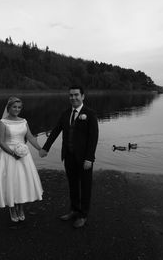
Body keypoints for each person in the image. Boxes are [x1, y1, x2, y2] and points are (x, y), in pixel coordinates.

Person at [39, 86, 99, 228]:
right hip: (68, 156)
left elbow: (93, 138)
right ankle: (74, 210)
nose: (73, 98)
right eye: (71, 95)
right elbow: (55, 131)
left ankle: (83, 215)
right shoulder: (65, 113)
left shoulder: (90, 114)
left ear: (83, 96)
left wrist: (89, 158)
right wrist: (45, 148)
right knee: (72, 185)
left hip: (84, 158)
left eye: (76, 95)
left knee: (85, 187)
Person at [0, 97, 43, 222]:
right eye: (14, 107)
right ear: (8, 108)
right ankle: (12, 208)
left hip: (23, 156)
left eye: (19, 107)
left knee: (22, 181)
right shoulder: (3, 122)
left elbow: (30, 137)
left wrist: (40, 149)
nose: (17, 109)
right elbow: (0, 141)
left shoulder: (23, 121)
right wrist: (13, 153)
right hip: (8, 155)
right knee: (10, 182)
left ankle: (20, 208)